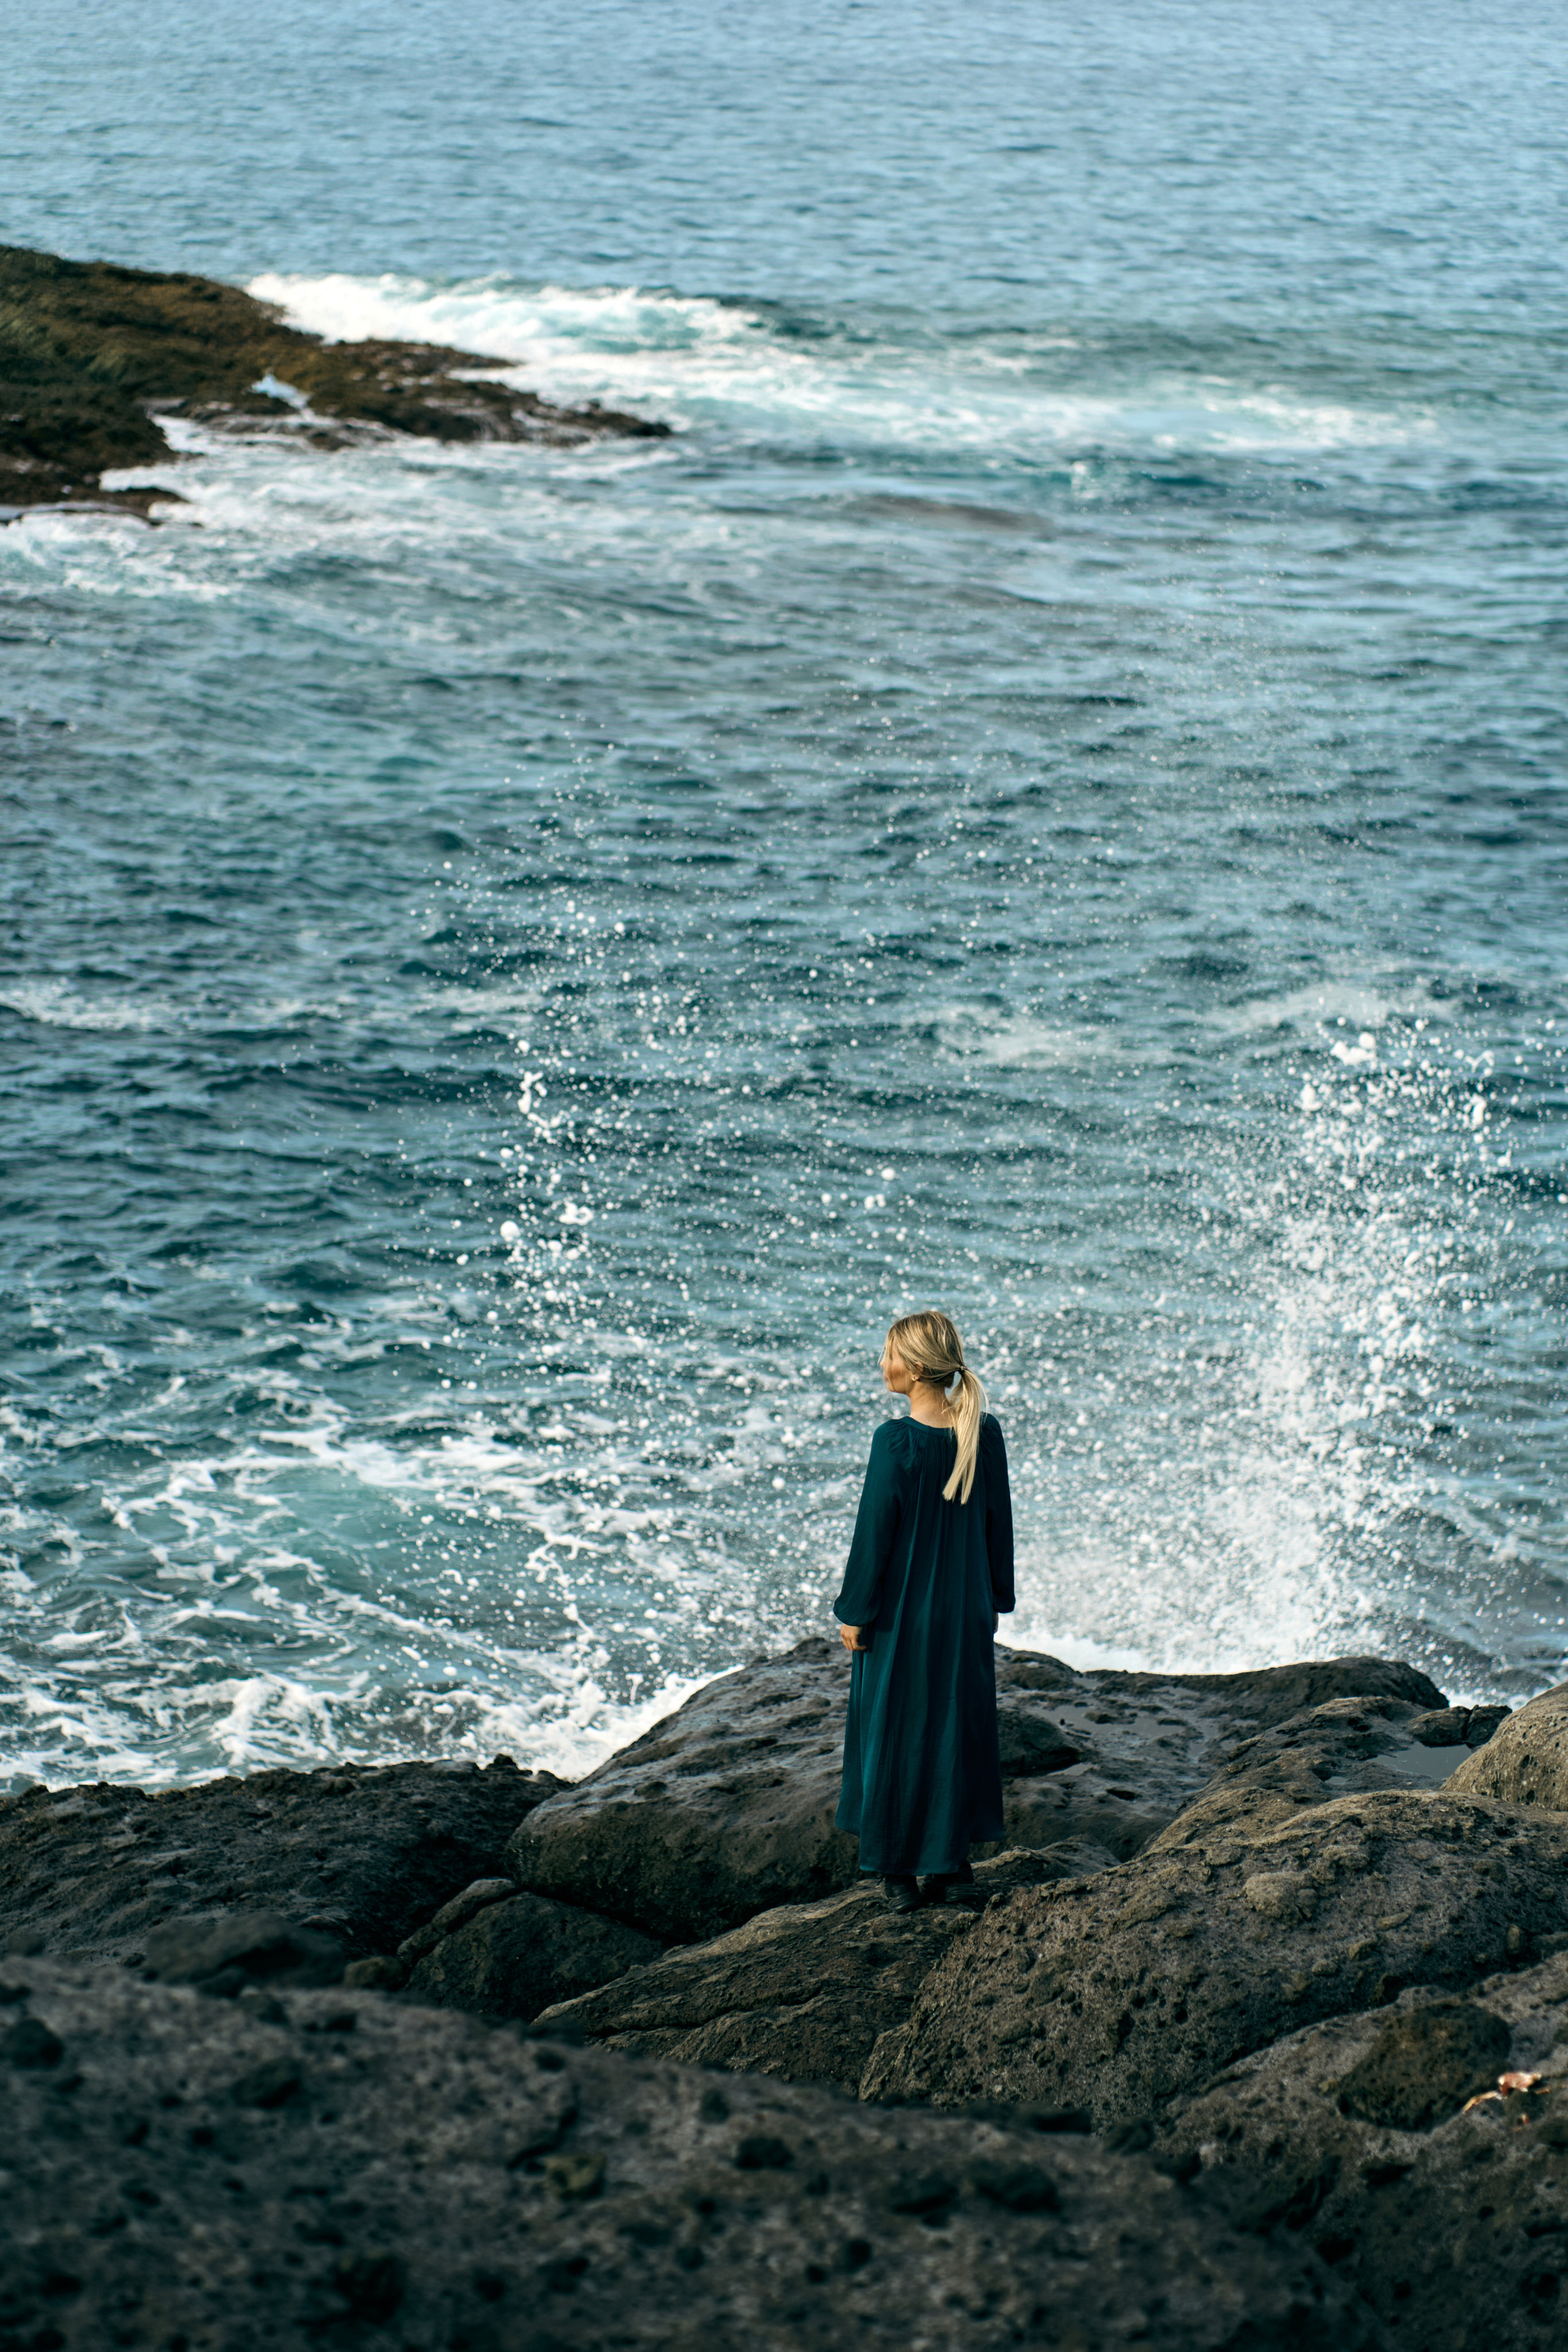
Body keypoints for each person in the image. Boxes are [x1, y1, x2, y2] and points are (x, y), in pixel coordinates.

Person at [832, 1309, 1014, 1912]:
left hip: (903, 1618)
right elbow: (999, 1528)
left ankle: (896, 1875)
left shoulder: (896, 1443)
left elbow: (873, 1537)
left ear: (912, 1368)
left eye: (887, 1355)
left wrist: (856, 1611)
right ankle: (948, 1865)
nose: (881, 1365)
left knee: (893, 1735)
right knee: (952, 1734)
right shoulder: (983, 1435)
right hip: (964, 1615)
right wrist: (998, 1599)